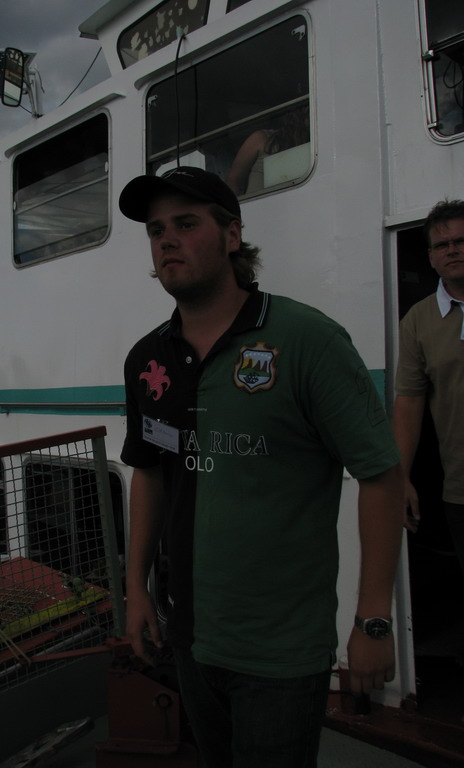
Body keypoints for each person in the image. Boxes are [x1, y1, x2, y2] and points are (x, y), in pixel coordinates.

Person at [118, 165, 404, 768]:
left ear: (232, 236)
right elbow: (149, 472)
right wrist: (136, 588)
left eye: (186, 224)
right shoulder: (148, 358)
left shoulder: (305, 339)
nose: (167, 240)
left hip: (280, 651)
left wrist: (373, 620)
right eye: (156, 230)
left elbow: (380, 474)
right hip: (189, 636)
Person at [393, 200, 464, 574]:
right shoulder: (417, 321)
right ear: (431, 258)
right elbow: (409, 404)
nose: (453, 250)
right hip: (460, 489)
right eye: (442, 245)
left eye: (461, 241)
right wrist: (401, 477)